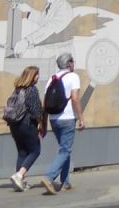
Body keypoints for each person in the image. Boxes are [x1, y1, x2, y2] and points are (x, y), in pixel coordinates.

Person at [39, 53, 83, 196]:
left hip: (54, 119)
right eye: (73, 62)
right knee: (65, 150)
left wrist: (44, 125)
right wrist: (81, 118)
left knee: (65, 149)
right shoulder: (73, 77)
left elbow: (45, 104)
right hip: (68, 118)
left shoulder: (52, 80)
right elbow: (75, 99)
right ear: (69, 64)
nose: (74, 64)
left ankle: (66, 182)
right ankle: (49, 177)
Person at [5, 66, 44, 192]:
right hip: (27, 125)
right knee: (35, 151)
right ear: (31, 76)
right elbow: (36, 111)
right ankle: (19, 175)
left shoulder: (17, 89)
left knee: (22, 152)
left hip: (14, 125)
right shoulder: (32, 90)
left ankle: (19, 182)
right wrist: (40, 123)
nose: (38, 77)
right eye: (37, 74)